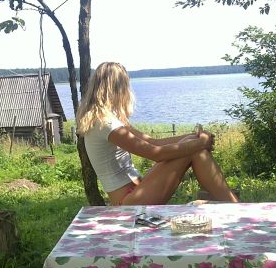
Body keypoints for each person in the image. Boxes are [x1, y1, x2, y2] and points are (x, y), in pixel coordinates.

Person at [76, 62, 239, 206]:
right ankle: (235, 206)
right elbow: (156, 154)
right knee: (195, 150)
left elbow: (153, 142)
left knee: (192, 144)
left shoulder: (108, 120)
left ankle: (232, 204)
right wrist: (200, 143)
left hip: (137, 193)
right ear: (117, 88)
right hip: (129, 202)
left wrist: (193, 137)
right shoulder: (105, 123)